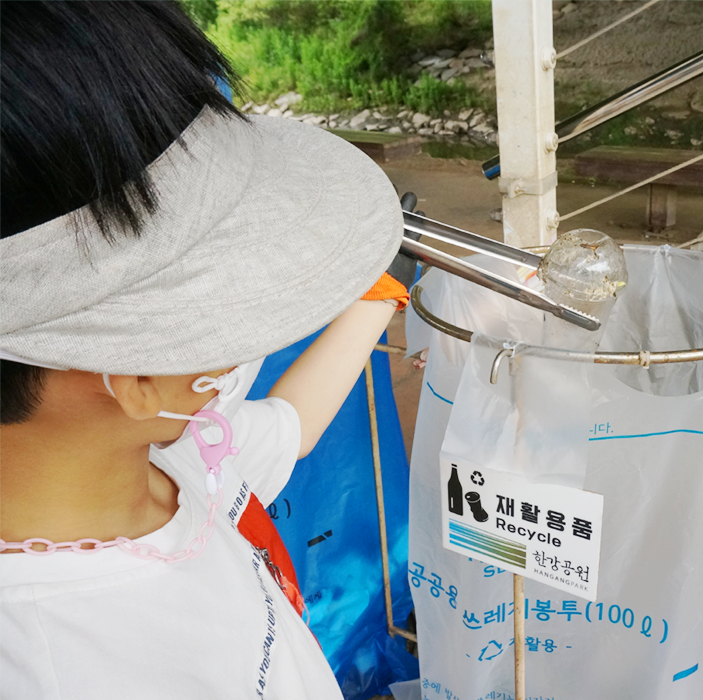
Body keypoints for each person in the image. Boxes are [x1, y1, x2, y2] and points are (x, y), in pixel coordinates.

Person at [0, 2, 413, 697]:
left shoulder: (162, 458)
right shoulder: (62, 668)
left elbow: (290, 428)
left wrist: (377, 296)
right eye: (230, 311)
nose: (238, 354)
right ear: (136, 371)